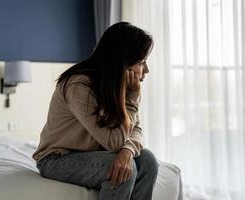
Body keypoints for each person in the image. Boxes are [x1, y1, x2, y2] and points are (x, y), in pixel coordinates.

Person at [32, 22, 158, 200]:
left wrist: (127, 151)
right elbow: (113, 142)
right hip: (56, 159)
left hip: (93, 152)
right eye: (141, 62)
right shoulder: (79, 86)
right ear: (123, 61)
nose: (146, 70)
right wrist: (131, 100)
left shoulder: (115, 83)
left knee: (148, 162)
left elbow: (135, 129)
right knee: (123, 172)